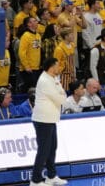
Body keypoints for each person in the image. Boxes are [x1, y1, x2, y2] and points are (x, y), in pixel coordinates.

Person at [30, 58, 67, 186]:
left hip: (51, 119)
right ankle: (35, 180)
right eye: (57, 65)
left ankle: (51, 176)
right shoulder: (44, 80)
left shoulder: (54, 78)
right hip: (42, 120)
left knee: (52, 148)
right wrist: (62, 95)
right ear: (51, 67)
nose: (59, 67)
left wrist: (62, 95)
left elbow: (63, 94)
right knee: (44, 150)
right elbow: (61, 98)